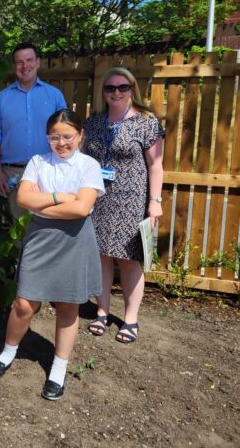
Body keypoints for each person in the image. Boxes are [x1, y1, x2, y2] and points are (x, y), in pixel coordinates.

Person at [0, 110, 104, 401]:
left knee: (68, 305)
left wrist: (43, 204)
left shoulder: (89, 165)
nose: (62, 142)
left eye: (68, 136)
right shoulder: (38, 162)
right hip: (40, 238)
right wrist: (62, 197)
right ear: (48, 137)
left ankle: (59, 367)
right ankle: (8, 351)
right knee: (24, 303)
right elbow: (23, 199)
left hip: (74, 239)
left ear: (80, 136)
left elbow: (82, 209)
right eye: (55, 136)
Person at [83, 67, 164, 344]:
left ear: (132, 89)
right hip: (98, 200)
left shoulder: (146, 122)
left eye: (122, 87)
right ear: (102, 92)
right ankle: (102, 312)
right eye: (110, 88)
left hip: (132, 201)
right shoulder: (93, 123)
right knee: (100, 257)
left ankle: (130, 318)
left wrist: (155, 202)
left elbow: (156, 165)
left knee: (130, 261)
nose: (116, 92)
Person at [0, 42, 67, 221]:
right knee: (19, 229)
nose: (25, 66)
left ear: (38, 62)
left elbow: (66, 133)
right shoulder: (1, 100)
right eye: (19, 62)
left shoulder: (54, 96)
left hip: (49, 170)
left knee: (50, 226)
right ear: (14, 66)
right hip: (14, 174)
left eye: (29, 60)